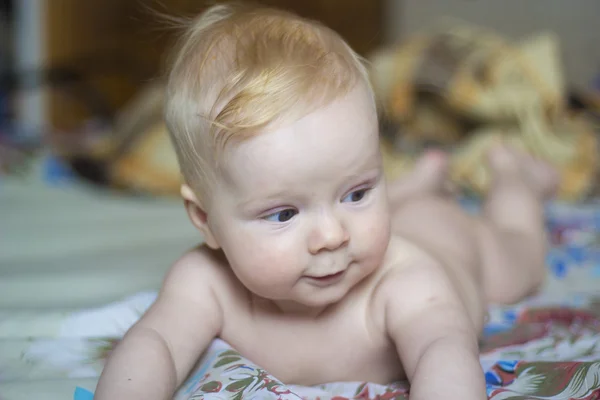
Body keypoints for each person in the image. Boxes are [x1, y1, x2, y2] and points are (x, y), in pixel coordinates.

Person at [95, 3, 557, 400]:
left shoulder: (404, 282)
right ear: (205, 220)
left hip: (450, 238)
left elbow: (444, 349)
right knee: (333, 192)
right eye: (284, 213)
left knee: (517, 259)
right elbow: (155, 340)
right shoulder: (205, 283)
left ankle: (514, 177)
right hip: (401, 211)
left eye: (358, 192)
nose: (332, 236)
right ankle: (417, 182)